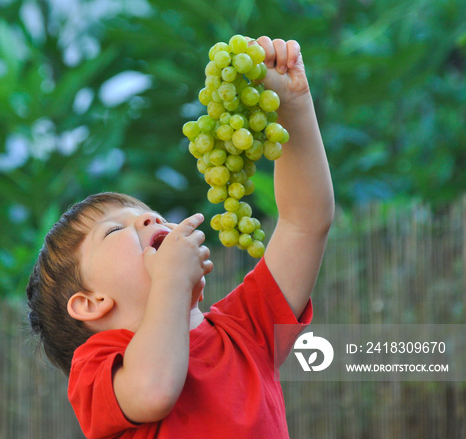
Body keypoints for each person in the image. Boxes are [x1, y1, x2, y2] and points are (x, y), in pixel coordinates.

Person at [26, 36, 334, 438]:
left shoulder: (246, 331)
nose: (150, 220)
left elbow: (305, 223)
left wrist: (294, 106)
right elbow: (154, 390)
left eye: (151, 215)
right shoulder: (99, 367)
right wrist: (171, 280)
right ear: (91, 303)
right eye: (117, 229)